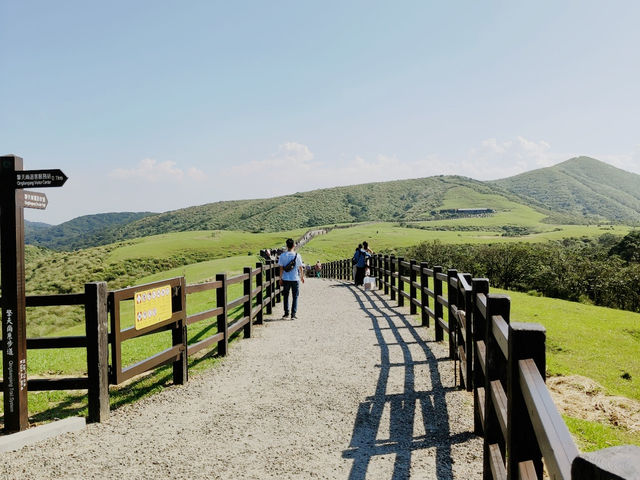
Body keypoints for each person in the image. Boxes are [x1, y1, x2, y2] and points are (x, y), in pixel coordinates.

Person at [278, 238, 304, 319]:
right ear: (293, 245)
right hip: (295, 278)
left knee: (286, 296)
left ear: (287, 246)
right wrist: (302, 277)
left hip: (285, 278)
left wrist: (280, 278)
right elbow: (300, 268)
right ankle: (293, 314)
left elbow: (281, 268)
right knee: (295, 296)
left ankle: (286, 313)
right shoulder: (297, 255)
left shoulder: (282, 256)